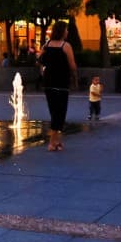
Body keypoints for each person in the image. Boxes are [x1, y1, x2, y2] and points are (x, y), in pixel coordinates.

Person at [39, 20, 77, 152]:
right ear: (62, 31)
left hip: (48, 83)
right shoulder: (66, 46)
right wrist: (74, 76)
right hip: (61, 83)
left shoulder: (47, 44)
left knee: (54, 111)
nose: (67, 32)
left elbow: (40, 59)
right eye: (66, 29)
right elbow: (72, 65)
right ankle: (51, 143)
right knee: (60, 112)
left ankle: (57, 141)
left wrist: (43, 71)